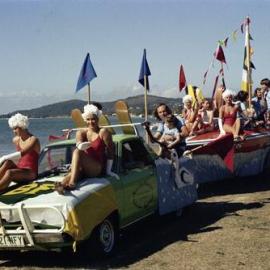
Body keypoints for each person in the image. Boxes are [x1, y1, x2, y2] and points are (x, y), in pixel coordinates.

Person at [55, 104, 118, 194]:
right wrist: (80, 144)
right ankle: (62, 186)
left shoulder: (103, 132)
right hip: (84, 168)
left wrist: (108, 171)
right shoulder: (82, 132)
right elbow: (79, 143)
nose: (91, 122)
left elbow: (111, 150)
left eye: (93, 119)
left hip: (97, 168)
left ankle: (72, 183)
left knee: (77, 151)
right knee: (71, 174)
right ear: (85, 120)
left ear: (98, 119)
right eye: (88, 119)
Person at [0, 113, 40, 191]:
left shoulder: (33, 140)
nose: (14, 131)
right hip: (20, 170)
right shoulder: (16, 140)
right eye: (13, 129)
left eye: (15, 128)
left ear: (22, 126)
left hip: (30, 173)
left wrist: (3, 158)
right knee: (8, 162)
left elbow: (23, 153)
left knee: (9, 172)